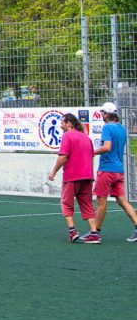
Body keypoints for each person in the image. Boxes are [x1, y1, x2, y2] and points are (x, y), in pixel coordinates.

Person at [47, 112, 98, 243]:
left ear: (69, 124)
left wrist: (53, 172)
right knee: (87, 205)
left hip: (72, 176)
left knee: (66, 203)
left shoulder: (67, 136)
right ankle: (94, 233)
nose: (61, 126)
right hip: (87, 176)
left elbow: (63, 156)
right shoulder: (87, 138)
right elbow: (91, 156)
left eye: (62, 123)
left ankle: (72, 231)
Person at [93, 102, 137, 243]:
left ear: (106, 114)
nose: (102, 116)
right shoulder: (122, 129)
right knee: (122, 200)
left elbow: (107, 147)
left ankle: (95, 233)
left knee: (101, 200)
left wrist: (91, 151)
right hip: (119, 170)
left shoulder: (107, 127)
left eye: (103, 113)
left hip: (107, 169)